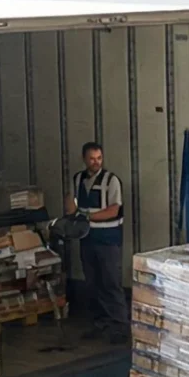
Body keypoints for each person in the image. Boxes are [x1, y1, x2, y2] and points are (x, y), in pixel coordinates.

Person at [67, 142, 127, 331]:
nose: (96, 162)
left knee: (111, 282)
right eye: (92, 159)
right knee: (92, 282)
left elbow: (113, 210)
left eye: (99, 158)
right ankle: (101, 321)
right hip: (87, 239)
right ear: (84, 159)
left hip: (108, 240)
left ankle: (119, 323)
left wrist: (85, 216)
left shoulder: (111, 181)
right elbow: (70, 204)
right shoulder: (78, 179)